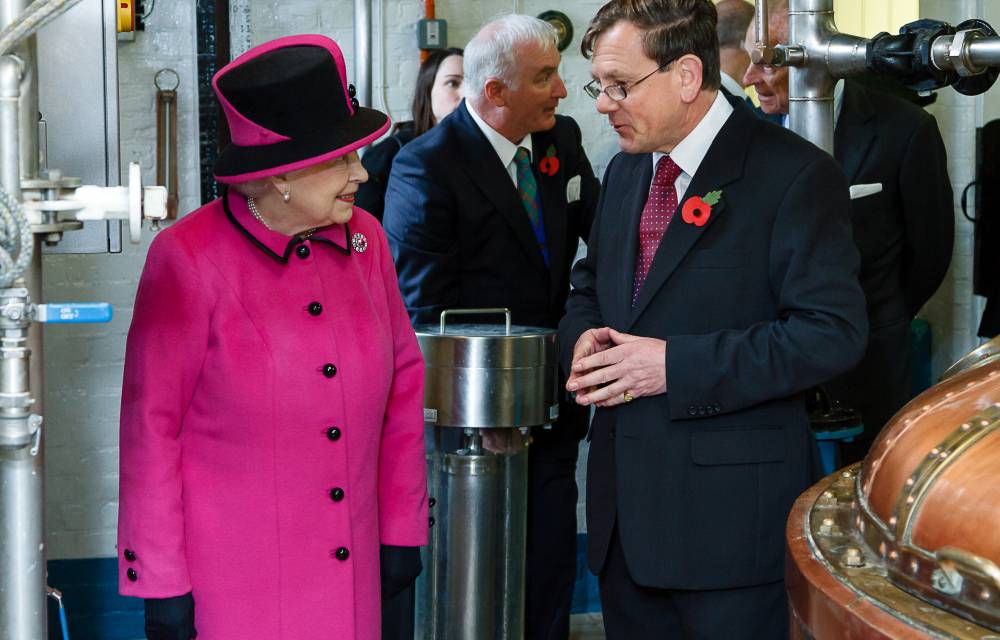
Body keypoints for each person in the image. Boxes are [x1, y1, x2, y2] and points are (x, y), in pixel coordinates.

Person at [559, 1, 868, 638]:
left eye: (620, 86)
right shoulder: (624, 171)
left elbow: (830, 334)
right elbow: (590, 285)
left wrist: (673, 367)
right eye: (601, 85)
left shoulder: (794, 176)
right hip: (625, 534)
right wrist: (581, 338)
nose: (603, 103)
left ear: (687, 76)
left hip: (729, 541)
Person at [117, 35, 428, 640]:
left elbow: (403, 392)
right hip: (236, 588)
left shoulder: (365, 241)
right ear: (279, 176)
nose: (361, 174)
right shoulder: (187, 259)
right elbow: (150, 430)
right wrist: (160, 582)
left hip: (358, 576)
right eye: (342, 160)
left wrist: (401, 529)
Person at [383, 14, 599, 640]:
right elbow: (421, 310)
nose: (562, 90)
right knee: (480, 576)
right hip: (474, 425)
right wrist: (484, 413)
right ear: (496, 93)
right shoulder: (426, 166)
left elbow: (603, 237)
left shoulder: (561, 143)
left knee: (550, 558)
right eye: (546, 76)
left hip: (556, 398)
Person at [743, 0, 954, 462]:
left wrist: (878, 315)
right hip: (765, 371)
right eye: (748, 60)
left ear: (805, 57)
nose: (749, 78)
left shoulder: (905, 129)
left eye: (765, 62)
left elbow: (930, 252)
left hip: (870, 366)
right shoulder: (743, 136)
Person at [356, 47, 464, 222]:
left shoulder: (482, 150)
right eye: (453, 83)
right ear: (427, 90)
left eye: (472, 84)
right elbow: (363, 232)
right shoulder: (386, 155)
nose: (466, 94)